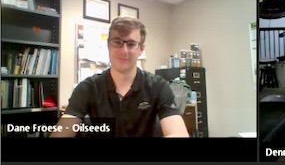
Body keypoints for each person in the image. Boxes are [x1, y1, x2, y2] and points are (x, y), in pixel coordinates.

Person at [50, 17, 188, 137]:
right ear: (108, 45)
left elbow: (178, 133)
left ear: (141, 49)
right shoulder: (88, 88)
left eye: (131, 44)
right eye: (117, 42)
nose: (124, 51)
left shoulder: (158, 86)